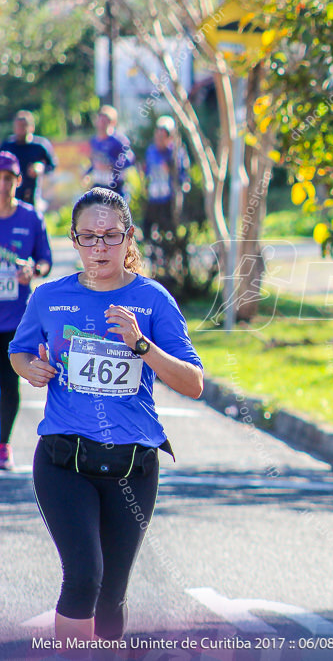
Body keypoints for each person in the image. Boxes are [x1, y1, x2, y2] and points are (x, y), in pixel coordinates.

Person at [9, 187, 203, 643]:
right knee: (83, 576)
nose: (99, 248)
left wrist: (141, 343)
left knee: (112, 594)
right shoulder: (48, 298)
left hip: (131, 465)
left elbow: (193, 383)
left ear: (128, 238)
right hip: (63, 460)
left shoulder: (153, 300)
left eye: (110, 236)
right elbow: (17, 351)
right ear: (73, 240)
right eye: (89, 237)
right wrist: (31, 368)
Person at [0, 151, 52, 471]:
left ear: (18, 182)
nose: (2, 185)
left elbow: (44, 261)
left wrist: (32, 270)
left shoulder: (31, 218)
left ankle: (3, 445)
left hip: (15, 318)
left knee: (8, 383)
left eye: (8, 179)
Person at [142, 115, 190, 243]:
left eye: (164, 136)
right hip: (154, 197)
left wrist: (172, 170)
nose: (160, 139)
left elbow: (183, 176)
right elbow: (147, 171)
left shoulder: (176, 153)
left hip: (169, 199)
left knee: (170, 230)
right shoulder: (151, 151)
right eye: (158, 135)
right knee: (147, 229)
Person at [0, 110, 58, 208]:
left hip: (32, 193)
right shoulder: (7, 146)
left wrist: (41, 168)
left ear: (32, 127)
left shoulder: (40, 146)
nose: (20, 129)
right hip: (10, 194)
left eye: (24, 126)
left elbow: (52, 165)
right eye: (18, 126)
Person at [85, 106, 134, 197]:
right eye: (100, 120)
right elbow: (94, 162)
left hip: (115, 186)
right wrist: (87, 173)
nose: (102, 124)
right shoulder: (94, 141)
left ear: (112, 122)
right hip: (99, 185)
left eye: (106, 121)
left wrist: (111, 165)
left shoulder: (119, 140)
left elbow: (129, 159)